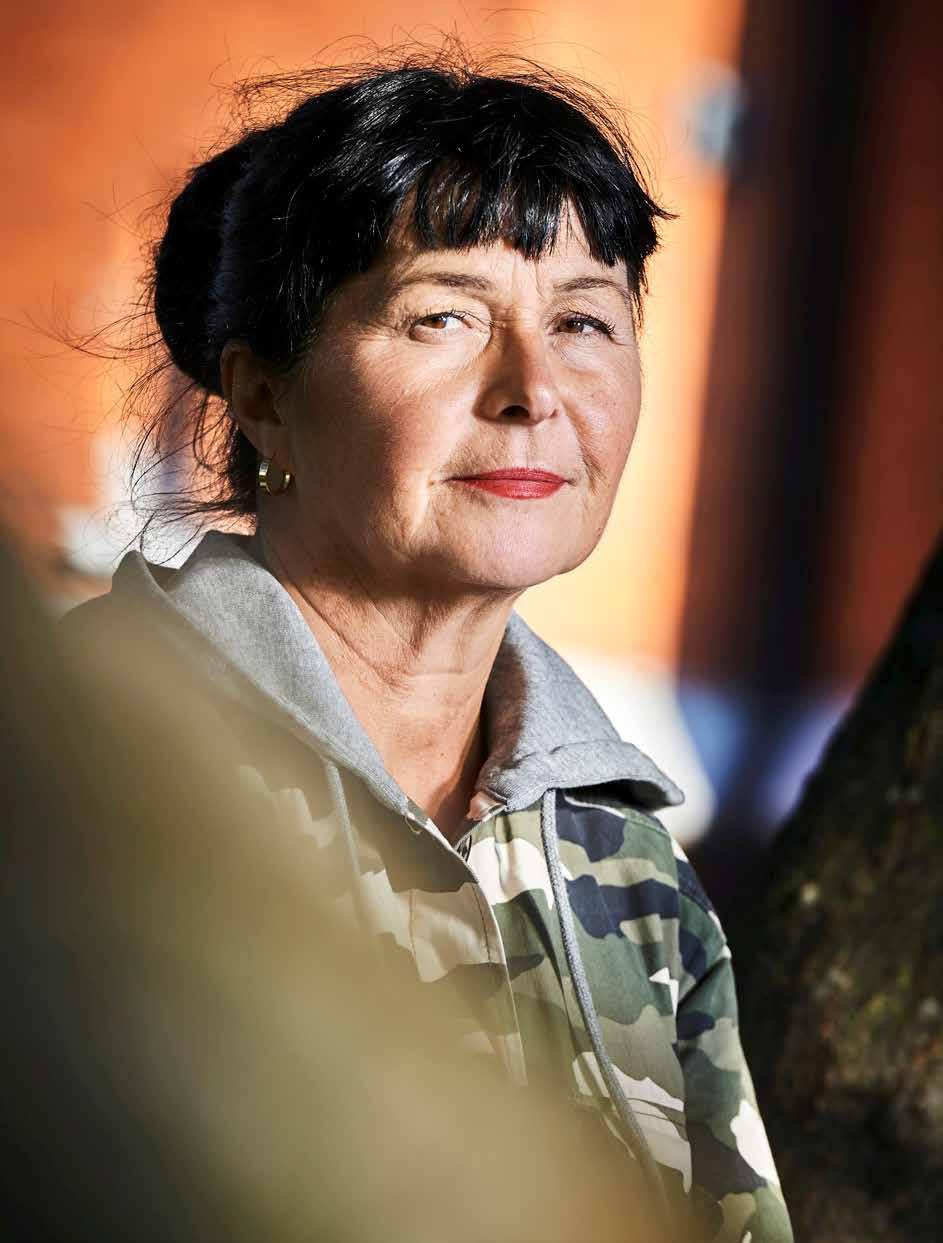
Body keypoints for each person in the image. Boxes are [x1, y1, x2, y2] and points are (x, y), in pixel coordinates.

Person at [66, 54, 793, 1241]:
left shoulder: (629, 868)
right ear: (262, 398)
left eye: (583, 321)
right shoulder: (73, 772)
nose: (531, 390)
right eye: (443, 317)